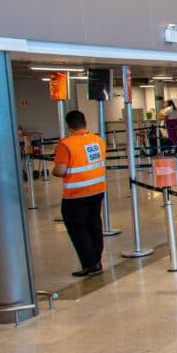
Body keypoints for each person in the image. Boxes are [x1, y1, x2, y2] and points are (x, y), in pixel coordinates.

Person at [52, 110, 107, 276]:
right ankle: (96, 258)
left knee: (78, 229)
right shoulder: (98, 140)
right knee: (94, 224)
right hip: (97, 190)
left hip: (76, 194)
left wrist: (53, 171)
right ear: (85, 122)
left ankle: (90, 263)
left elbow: (60, 170)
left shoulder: (66, 144)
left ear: (69, 126)